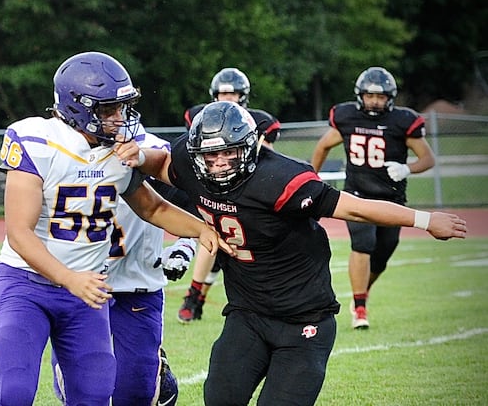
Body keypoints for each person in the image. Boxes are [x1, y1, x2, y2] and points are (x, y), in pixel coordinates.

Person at [118, 100, 466, 405]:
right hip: (247, 314)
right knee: (221, 398)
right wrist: (140, 156)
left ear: (250, 146)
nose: (220, 163)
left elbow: (355, 208)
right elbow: (161, 166)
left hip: (304, 320)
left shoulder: (281, 180)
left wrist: (424, 219)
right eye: (211, 155)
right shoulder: (191, 164)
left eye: (229, 152)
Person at [0, 51, 225, 406]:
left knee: (95, 394)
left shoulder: (118, 154)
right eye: (108, 111)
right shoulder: (35, 140)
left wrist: (201, 230)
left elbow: (153, 206)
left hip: (88, 291)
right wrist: (70, 278)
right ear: (77, 107)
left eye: (122, 108)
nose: (119, 119)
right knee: (16, 392)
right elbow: (19, 233)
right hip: (28, 285)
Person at [52, 126, 194, 406]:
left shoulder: (149, 148)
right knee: (78, 389)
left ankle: (155, 371)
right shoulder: (54, 146)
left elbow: (188, 202)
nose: (113, 117)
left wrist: (185, 244)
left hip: (135, 284)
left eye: (118, 107)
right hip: (77, 285)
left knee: (137, 392)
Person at [310, 66, 436, 329]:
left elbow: (428, 158)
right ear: (360, 95)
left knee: (383, 254)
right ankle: (360, 308)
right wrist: (312, 177)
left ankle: (361, 293)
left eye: (380, 97)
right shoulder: (346, 116)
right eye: (370, 96)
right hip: (356, 193)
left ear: (390, 97)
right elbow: (322, 146)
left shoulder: (402, 121)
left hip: (391, 198)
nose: (375, 101)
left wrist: (407, 168)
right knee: (363, 242)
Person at [178, 67, 282, 323]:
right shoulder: (199, 116)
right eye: (223, 94)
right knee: (211, 237)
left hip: (245, 192)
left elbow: (264, 158)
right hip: (211, 187)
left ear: (243, 96)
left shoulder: (260, 120)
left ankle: (199, 298)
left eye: (233, 94)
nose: (228, 99)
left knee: (238, 248)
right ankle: (193, 295)